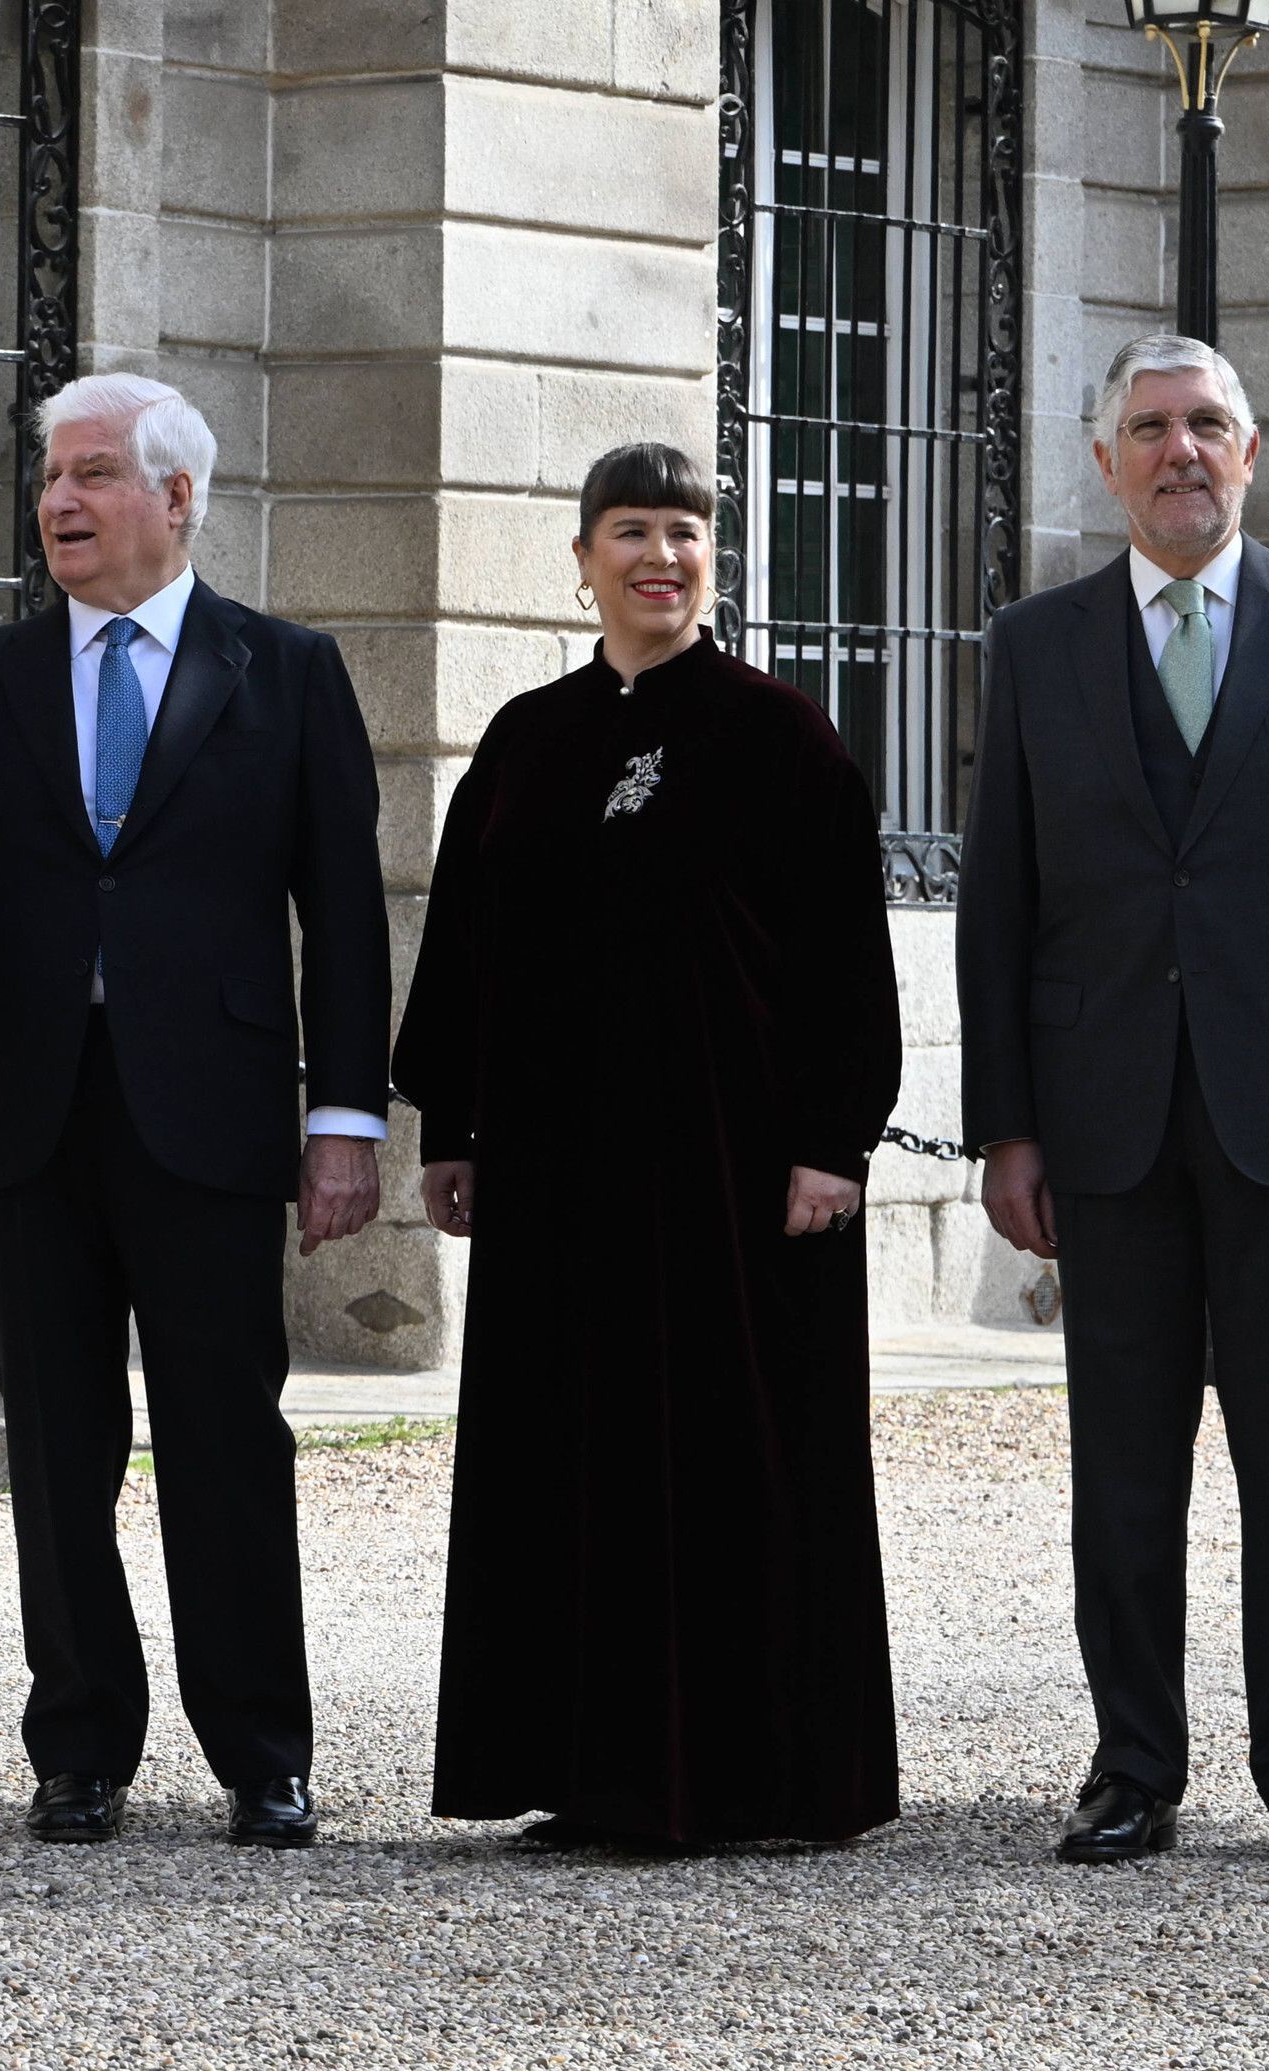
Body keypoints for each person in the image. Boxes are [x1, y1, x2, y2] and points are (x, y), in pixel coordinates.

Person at [0, 375, 389, 1849]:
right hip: (34, 1106)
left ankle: (262, 1749)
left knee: (225, 1433)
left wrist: (346, 1117)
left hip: (208, 1113)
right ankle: (80, 1744)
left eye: (92, 476)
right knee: (57, 1438)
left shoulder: (286, 672)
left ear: (177, 498)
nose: (59, 503)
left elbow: (343, 915)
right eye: (50, 478)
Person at [960, 335, 1269, 1874]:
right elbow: (1000, 902)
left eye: (1209, 427)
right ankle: (1133, 1768)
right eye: (1151, 429)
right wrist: (1007, 1124)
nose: (1181, 452)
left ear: (1253, 453)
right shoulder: (1035, 645)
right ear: (1104, 462)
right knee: (1123, 1460)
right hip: (1103, 1118)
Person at [391, 441, 904, 1850]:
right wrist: (453, 1127)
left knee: (737, 1462)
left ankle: (758, 1778)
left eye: (682, 532)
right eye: (630, 530)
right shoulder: (527, 739)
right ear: (583, 558)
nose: (658, 556)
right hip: (557, 1182)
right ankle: (594, 1774)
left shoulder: (783, 736)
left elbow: (849, 966)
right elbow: (465, 947)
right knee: (570, 1463)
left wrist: (831, 1146)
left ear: (710, 558)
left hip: (741, 1185)